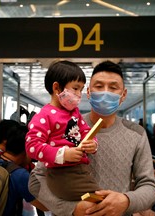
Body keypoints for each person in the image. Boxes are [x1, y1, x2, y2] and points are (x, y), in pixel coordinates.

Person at [28, 60, 155, 216]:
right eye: (98, 86)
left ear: (123, 95)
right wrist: (73, 209)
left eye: (113, 87)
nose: (105, 92)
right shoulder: (68, 125)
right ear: (88, 92)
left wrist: (126, 201)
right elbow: (36, 180)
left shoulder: (137, 133)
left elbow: (149, 186)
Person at [25, 60, 99, 201]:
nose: (79, 94)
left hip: (80, 171)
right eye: (75, 88)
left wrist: (92, 143)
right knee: (101, 201)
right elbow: (32, 147)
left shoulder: (74, 112)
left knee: (100, 201)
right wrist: (63, 154)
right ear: (57, 88)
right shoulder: (44, 116)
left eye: (81, 89)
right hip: (61, 174)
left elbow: (85, 131)